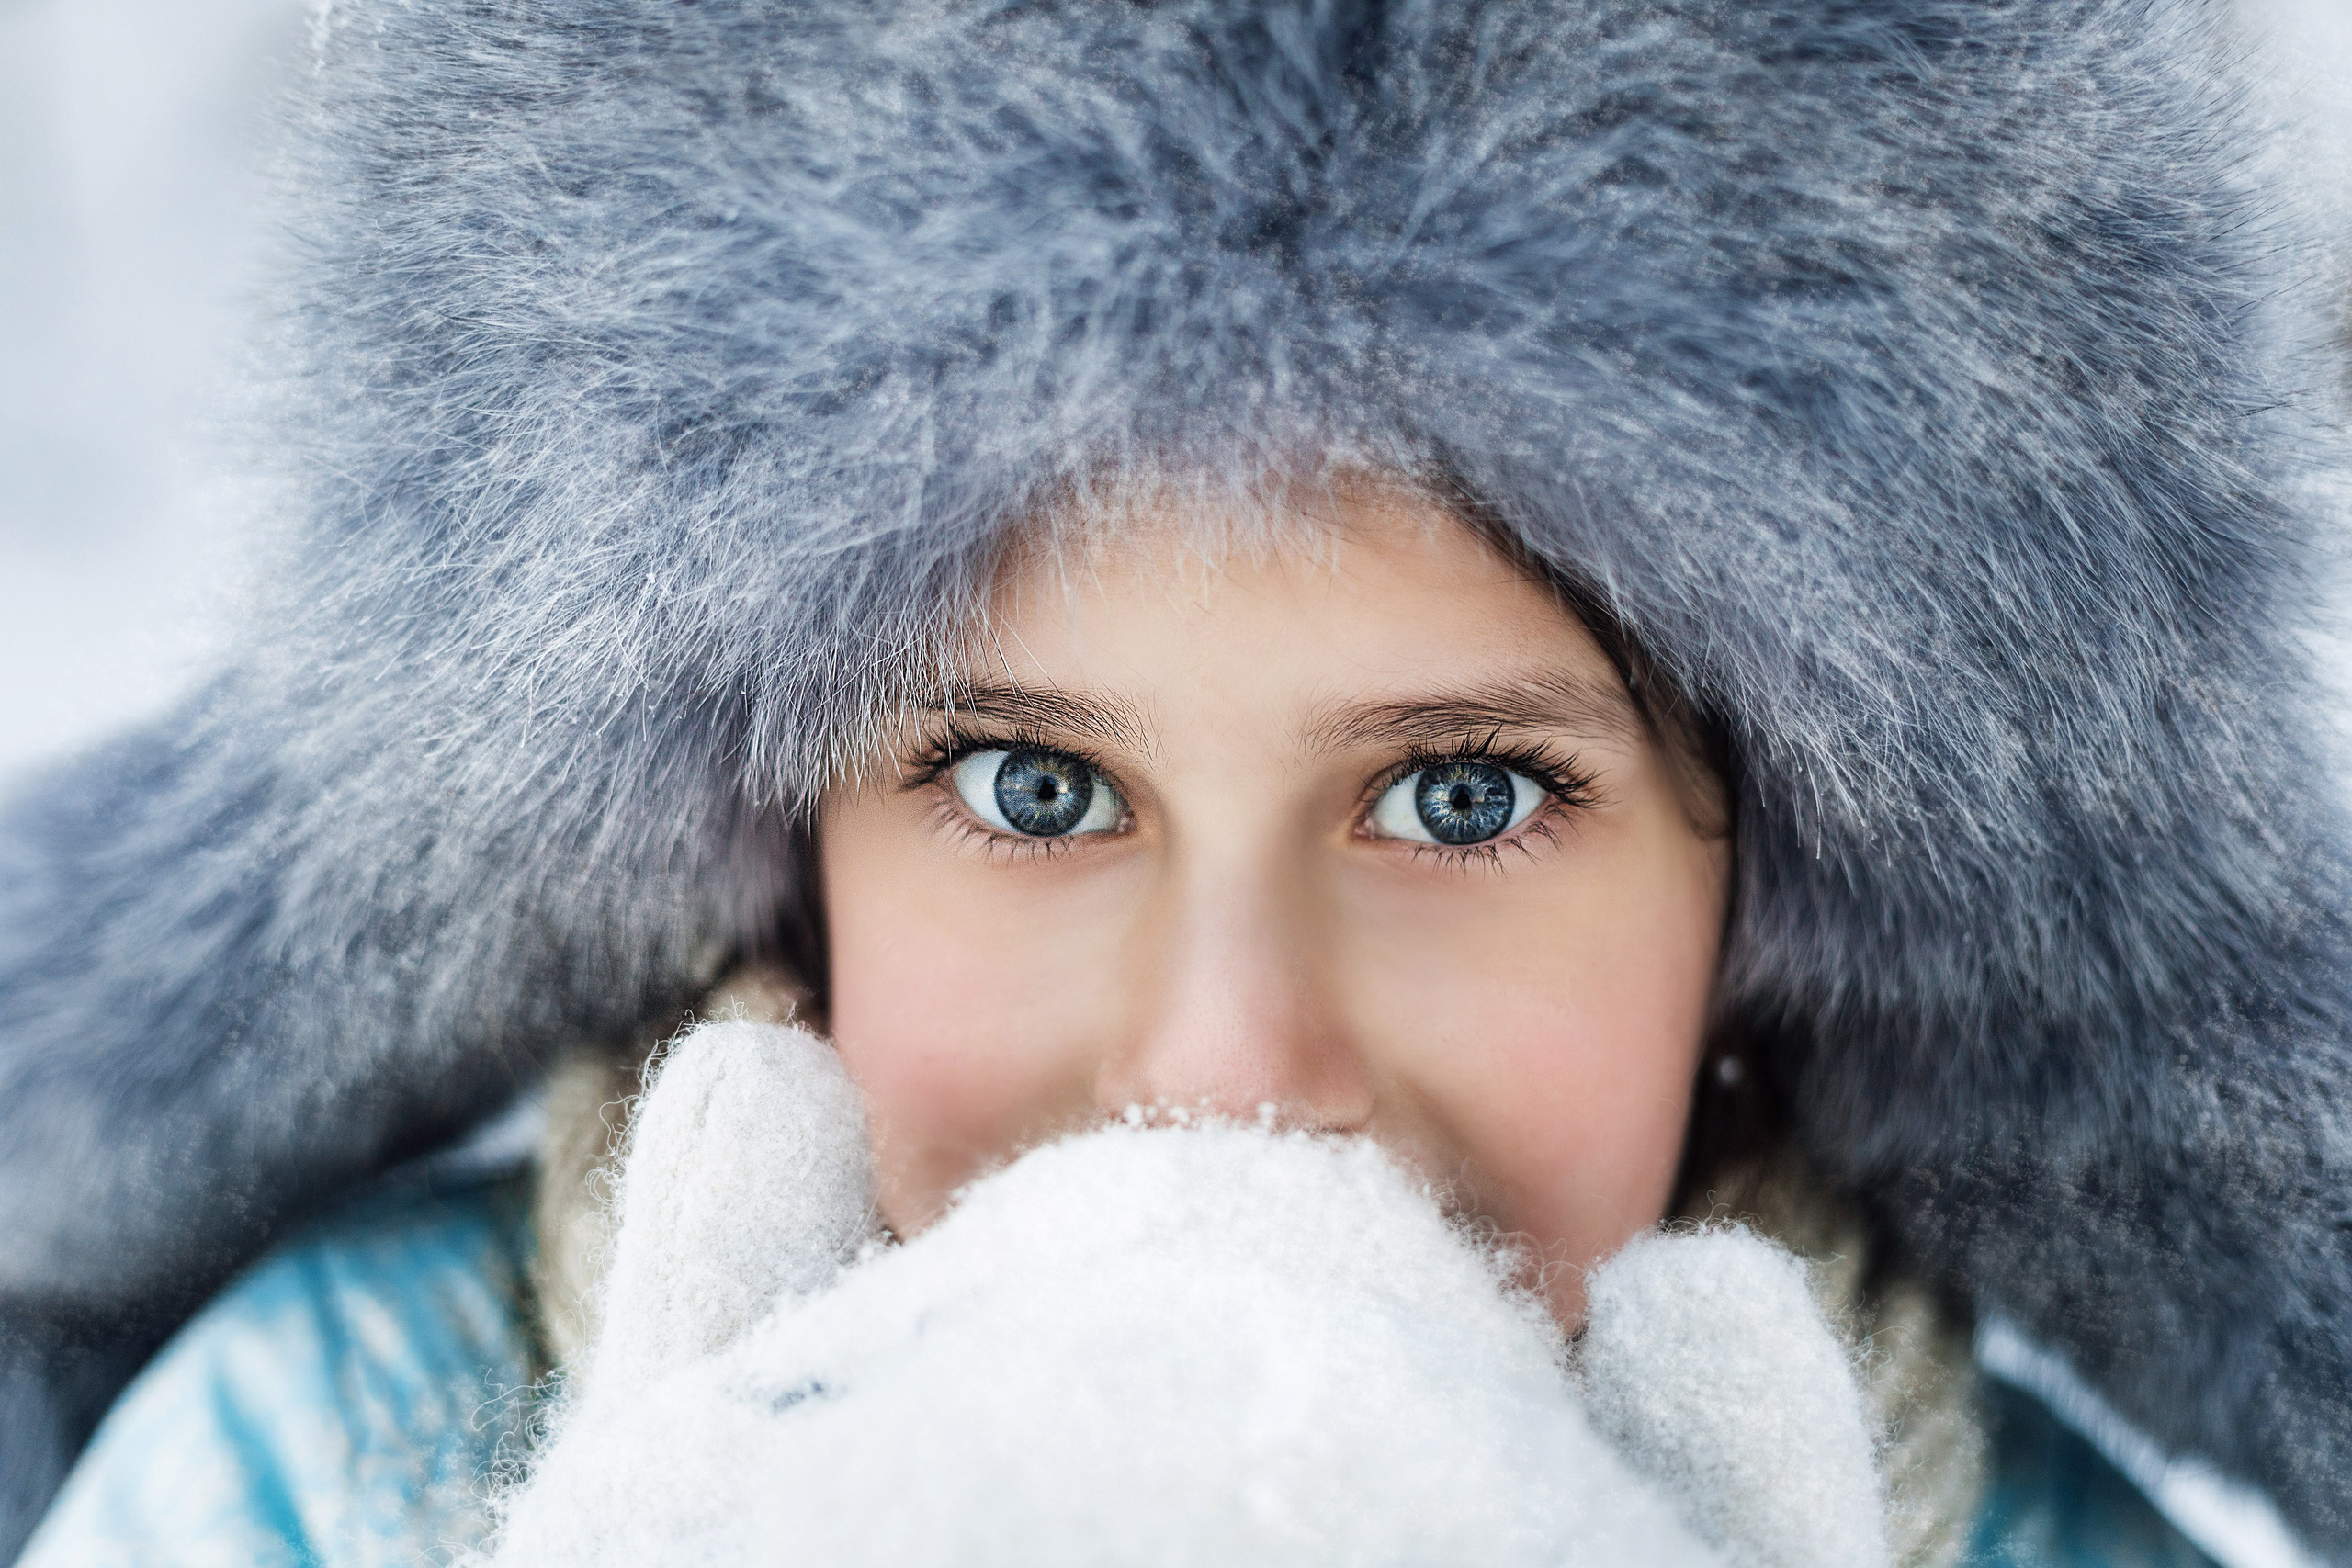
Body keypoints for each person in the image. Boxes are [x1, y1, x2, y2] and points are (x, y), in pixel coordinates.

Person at [1, 0, 2346, 1563]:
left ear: (1783, 893)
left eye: (1456, 798)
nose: (1225, 1067)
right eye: (1029, 789)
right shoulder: (317, 1468)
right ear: (778, 861)